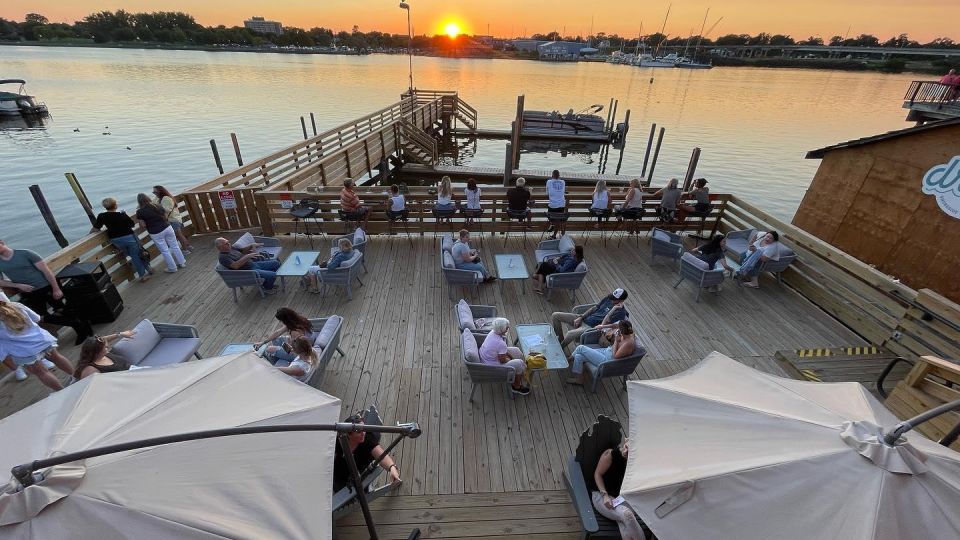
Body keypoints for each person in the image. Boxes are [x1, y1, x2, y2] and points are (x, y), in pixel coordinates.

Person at [0, 239, 93, 345]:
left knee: (63, 309)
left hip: (46, 286)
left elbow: (46, 271)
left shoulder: (25, 253)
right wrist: (18, 285)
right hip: (28, 292)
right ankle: (80, 324)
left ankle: (82, 331)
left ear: (2, 242)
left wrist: (56, 288)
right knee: (39, 316)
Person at [0, 297, 76, 390]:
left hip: (23, 351)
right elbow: (37, 318)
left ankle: (60, 390)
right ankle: (76, 376)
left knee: (41, 372)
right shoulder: (16, 305)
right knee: (57, 357)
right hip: (40, 339)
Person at [333, 410, 402, 492]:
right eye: (358, 431)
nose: (363, 433)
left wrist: (392, 468)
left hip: (361, 476)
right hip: (339, 477)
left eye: (364, 428)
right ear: (348, 434)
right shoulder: (338, 442)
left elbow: (381, 456)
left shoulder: (367, 439)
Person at [592, 439, 645, 540]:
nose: (625, 452)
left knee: (626, 523)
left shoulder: (634, 464)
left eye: (630, 452)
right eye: (626, 447)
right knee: (627, 515)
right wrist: (605, 495)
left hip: (620, 498)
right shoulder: (610, 454)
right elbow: (597, 474)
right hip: (600, 495)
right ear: (625, 441)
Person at [92, 197, 151, 283]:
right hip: (129, 238)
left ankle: (149, 269)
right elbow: (131, 224)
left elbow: (96, 227)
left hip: (116, 240)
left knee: (134, 255)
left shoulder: (101, 216)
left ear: (105, 207)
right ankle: (143, 276)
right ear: (115, 205)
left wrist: (89, 234)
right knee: (137, 255)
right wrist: (125, 214)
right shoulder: (121, 215)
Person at [567, 319, 639, 386]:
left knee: (581, 348)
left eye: (619, 329)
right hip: (606, 351)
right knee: (578, 356)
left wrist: (616, 341)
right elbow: (615, 325)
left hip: (608, 360)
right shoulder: (628, 332)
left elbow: (615, 356)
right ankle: (580, 380)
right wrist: (603, 326)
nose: (617, 329)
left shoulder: (628, 343)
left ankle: (568, 360)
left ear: (622, 331)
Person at [551, 288, 629, 348]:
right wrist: (581, 317)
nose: (611, 299)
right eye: (612, 296)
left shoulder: (620, 313)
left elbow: (605, 324)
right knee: (555, 315)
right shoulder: (608, 298)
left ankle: (560, 348)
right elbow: (594, 308)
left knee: (570, 334)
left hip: (590, 326)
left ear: (621, 300)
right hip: (585, 318)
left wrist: (613, 309)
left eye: (614, 298)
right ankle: (560, 339)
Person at [136, 193, 186, 274]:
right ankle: (182, 262)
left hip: (155, 232)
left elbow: (143, 225)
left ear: (139, 202)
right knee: (175, 245)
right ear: (148, 198)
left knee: (165, 250)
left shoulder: (140, 212)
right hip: (167, 227)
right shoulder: (157, 205)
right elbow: (165, 217)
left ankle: (172, 268)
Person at [478, 318, 530, 395]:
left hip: (487, 357)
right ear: (501, 330)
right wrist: (510, 360)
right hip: (491, 366)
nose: (508, 328)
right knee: (519, 363)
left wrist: (511, 358)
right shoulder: (500, 343)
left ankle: (518, 373)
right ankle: (516, 386)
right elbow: (502, 360)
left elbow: (502, 352)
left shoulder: (493, 332)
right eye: (506, 327)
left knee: (517, 351)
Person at [215, 236, 281, 294]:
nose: (229, 243)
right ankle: (267, 288)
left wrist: (251, 245)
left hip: (253, 264)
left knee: (276, 263)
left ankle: (266, 283)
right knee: (272, 275)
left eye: (228, 242)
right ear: (220, 247)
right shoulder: (223, 257)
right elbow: (235, 266)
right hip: (249, 271)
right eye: (226, 243)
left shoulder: (231, 248)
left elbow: (243, 251)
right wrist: (247, 256)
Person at [73, 330, 138, 380]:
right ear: (97, 352)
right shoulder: (91, 369)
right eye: (105, 347)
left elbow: (102, 340)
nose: (108, 347)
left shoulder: (101, 354)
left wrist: (120, 334)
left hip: (135, 371)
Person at [153, 185, 194, 254]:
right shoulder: (159, 198)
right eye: (153, 192)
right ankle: (189, 247)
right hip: (174, 219)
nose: (154, 193)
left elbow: (167, 210)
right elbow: (153, 202)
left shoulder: (166, 198)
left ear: (160, 191)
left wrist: (158, 206)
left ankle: (185, 250)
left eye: (155, 192)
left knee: (178, 235)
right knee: (180, 235)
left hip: (173, 220)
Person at [546, 169, 567, 238]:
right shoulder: (563, 182)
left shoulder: (549, 182)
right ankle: (554, 235)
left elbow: (547, 193)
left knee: (551, 216)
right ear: (559, 176)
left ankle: (552, 224)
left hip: (552, 206)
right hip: (562, 205)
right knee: (558, 219)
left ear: (552, 175)